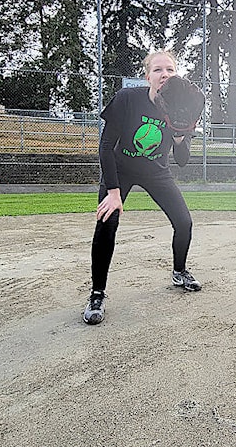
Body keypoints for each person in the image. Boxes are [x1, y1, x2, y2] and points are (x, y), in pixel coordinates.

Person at [83, 50, 201, 327]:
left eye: (170, 70)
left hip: (156, 171)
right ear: (147, 77)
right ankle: (97, 294)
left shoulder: (179, 105)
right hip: (120, 169)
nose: (164, 75)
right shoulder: (127, 99)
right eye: (158, 70)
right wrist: (113, 192)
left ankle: (179, 271)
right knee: (106, 221)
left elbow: (183, 161)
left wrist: (182, 134)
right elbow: (105, 146)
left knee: (184, 222)